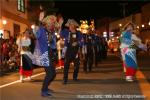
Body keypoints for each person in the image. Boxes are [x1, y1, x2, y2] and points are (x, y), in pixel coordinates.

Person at [32, 15, 62, 97]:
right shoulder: (41, 29)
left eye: (53, 23)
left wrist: (60, 26)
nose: (52, 24)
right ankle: (43, 90)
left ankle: (46, 88)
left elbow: (54, 43)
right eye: (51, 22)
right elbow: (36, 34)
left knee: (53, 74)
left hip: (50, 54)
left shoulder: (51, 32)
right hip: (43, 54)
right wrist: (39, 21)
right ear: (47, 23)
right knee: (50, 73)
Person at [60, 19, 83, 84]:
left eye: (73, 25)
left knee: (77, 65)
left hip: (76, 51)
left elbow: (82, 41)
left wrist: (77, 42)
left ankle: (75, 77)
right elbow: (60, 34)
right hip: (68, 50)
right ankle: (65, 79)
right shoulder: (66, 31)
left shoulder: (79, 33)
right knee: (66, 65)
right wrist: (61, 39)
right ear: (69, 26)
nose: (71, 26)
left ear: (75, 26)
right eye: (70, 25)